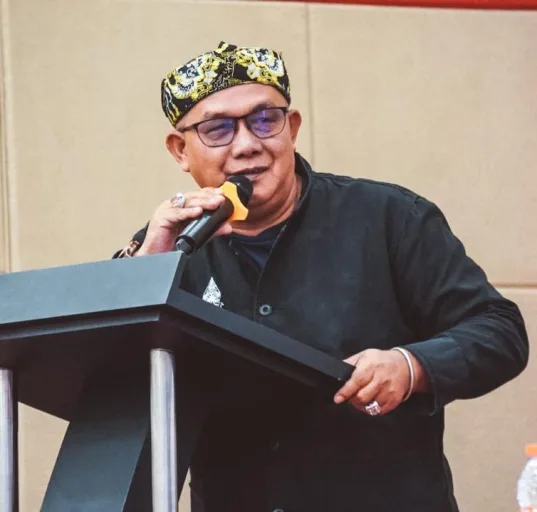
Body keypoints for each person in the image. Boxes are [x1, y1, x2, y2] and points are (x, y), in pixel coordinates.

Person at [115, 41, 529, 511]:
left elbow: (499, 331)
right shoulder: (171, 244)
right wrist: (148, 266)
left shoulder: (389, 217)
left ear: (292, 128)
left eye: (264, 120)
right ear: (180, 151)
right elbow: (105, 376)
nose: (247, 144)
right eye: (218, 129)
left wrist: (411, 366)